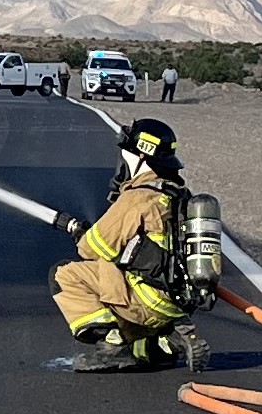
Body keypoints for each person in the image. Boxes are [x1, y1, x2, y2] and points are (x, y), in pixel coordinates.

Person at [48, 117, 211, 372]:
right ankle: (164, 344)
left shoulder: (139, 196)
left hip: (147, 300)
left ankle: (113, 346)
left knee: (64, 275)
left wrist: (79, 232)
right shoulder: (178, 195)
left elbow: (93, 250)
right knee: (143, 350)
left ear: (141, 158)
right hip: (177, 302)